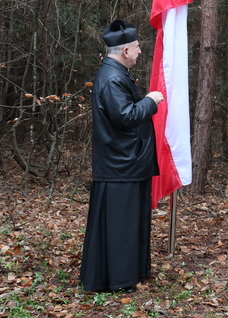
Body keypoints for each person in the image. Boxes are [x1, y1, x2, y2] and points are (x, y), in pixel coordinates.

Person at [80, 19, 165, 292]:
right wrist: (151, 101)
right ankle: (120, 280)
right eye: (137, 48)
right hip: (120, 165)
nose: (141, 52)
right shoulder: (113, 78)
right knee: (121, 227)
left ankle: (123, 275)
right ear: (125, 51)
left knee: (125, 224)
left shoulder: (114, 73)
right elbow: (125, 117)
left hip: (124, 164)